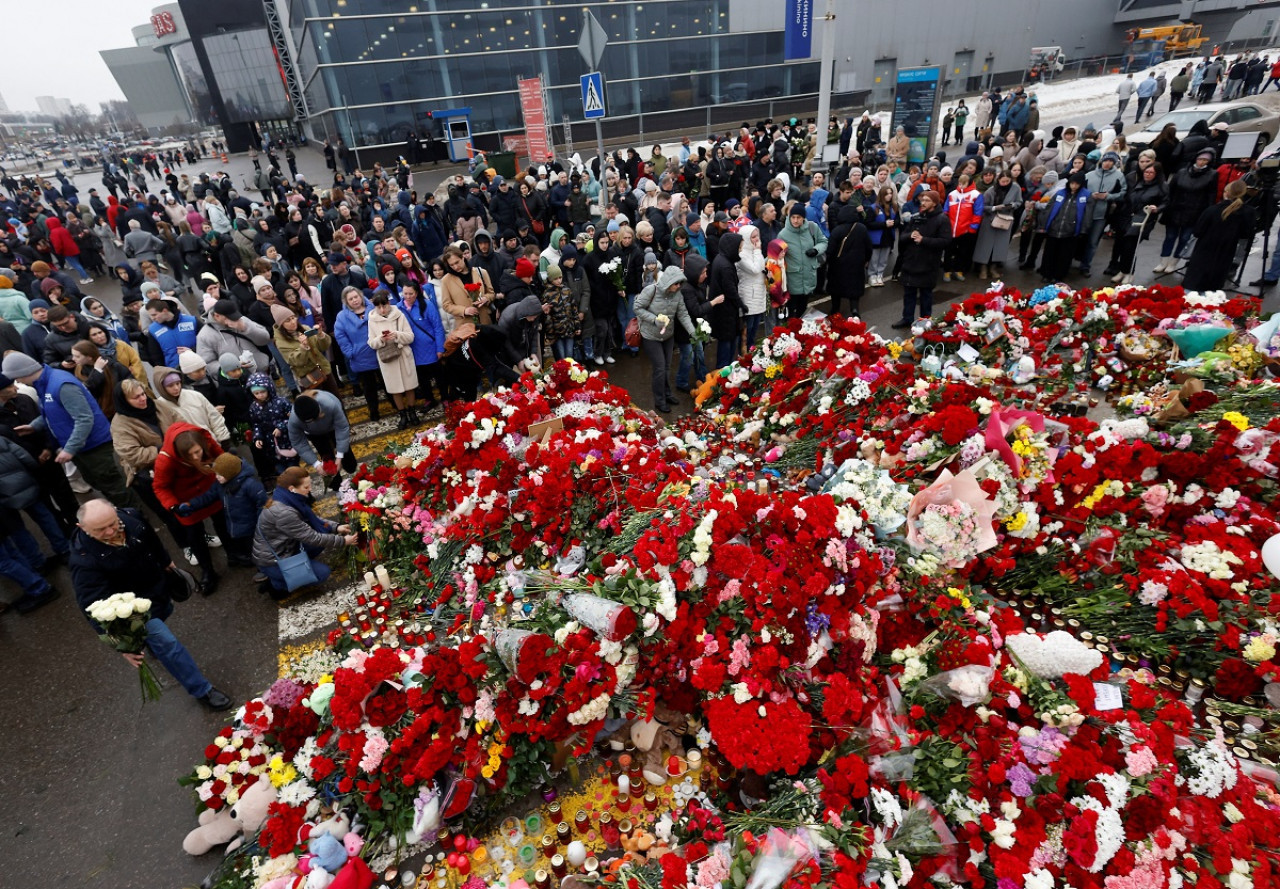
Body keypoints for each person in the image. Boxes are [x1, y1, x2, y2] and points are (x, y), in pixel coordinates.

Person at [70, 499, 232, 710]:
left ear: (117, 512)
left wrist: (166, 563)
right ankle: (203, 690)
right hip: (132, 612)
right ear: (81, 528)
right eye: (101, 530)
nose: (111, 532)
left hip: (155, 589)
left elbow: (153, 541)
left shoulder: (131, 518)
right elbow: (91, 606)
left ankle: (153, 646)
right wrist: (121, 645)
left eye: (113, 523)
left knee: (165, 614)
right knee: (169, 645)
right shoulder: (84, 562)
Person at [0, 352, 143, 510]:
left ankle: (136, 523)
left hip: (94, 448)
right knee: (102, 485)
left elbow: (84, 419)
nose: (17, 382)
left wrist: (69, 449)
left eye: (16, 378)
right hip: (82, 449)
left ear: (24, 372)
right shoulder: (45, 385)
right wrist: (34, 425)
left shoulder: (61, 384)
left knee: (116, 490)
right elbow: (54, 412)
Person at [252, 466, 356, 600]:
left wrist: (336, 527)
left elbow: (313, 520)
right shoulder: (283, 512)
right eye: (306, 487)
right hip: (274, 560)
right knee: (322, 573)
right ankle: (277, 584)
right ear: (292, 488)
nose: (310, 489)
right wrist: (343, 541)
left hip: (285, 547)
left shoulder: (286, 497)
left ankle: (291, 570)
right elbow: (312, 537)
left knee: (321, 537)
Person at [152, 422, 230, 595]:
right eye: (190, 455)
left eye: (198, 452)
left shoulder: (206, 440)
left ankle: (234, 555)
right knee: (195, 537)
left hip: (210, 487)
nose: (195, 457)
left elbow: (222, 458)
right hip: (185, 500)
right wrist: (173, 505)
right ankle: (208, 571)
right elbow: (160, 486)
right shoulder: (165, 460)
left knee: (223, 523)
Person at [634, 266, 694, 413]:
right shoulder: (651, 291)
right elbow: (637, 307)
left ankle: (667, 394)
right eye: (676, 283)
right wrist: (654, 320)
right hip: (651, 335)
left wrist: (693, 332)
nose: (678, 286)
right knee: (660, 368)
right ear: (668, 281)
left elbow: (683, 314)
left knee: (667, 367)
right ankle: (659, 400)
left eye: (680, 283)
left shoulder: (678, 295)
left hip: (668, 335)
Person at [891, 190, 951, 330]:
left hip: (928, 263)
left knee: (926, 295)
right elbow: (904, 236)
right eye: (922, 200)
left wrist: (924, 240)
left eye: (927, 201)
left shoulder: (942, 219)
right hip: (911, 261)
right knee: (909, 294)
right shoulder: (916, 217)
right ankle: (907, 318)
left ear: (935, 203)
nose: (923, 203)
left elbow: (945, 241)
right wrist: (911, 235)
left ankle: (925, 321)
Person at [1183, 179, 1256, 291]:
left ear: (1226, 192)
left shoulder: (1213, 210)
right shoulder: (1248, 212)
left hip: (1203, 252)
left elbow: (1198, 231)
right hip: (1226, 253)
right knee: (1213, 291)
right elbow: (1246, 235)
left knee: (1192, 289)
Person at [1156, 148, 1218, 274]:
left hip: (1194, 212)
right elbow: (1170, 190)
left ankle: (1174, 262)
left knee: (1185, 238)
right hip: (1175, 209)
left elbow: (1211, 195)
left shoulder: (1212, 175)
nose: (1201, 162)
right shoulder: (1182, 172)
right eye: (1200, 159)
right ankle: (1163, 261)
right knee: (1170, 236)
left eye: (1205, 160)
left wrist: (1207, 214)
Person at [367, 292, 419, 428]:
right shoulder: (372, 320)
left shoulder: (399, 315)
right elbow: (371, 343)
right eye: (378, 307)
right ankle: (402, 414)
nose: (382, 310)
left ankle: (412, 411)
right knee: (394, 388)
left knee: (410, 386)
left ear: (388, 303)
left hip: (403, 355)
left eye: (384, 305)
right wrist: (381, 339)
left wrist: (396, 335)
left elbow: (410, 336)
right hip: (387, 359)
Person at [333, 286, 383, 421]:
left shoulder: (374, 308)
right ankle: (374, 410)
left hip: (380, 352)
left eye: (356, 297)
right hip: (360, 356)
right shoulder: (342, 317)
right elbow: (340, 336)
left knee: (387, 382)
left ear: (361, 296)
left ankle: (398, 406)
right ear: (346, 301)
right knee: (368, 387)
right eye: (351, 299)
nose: (354, 300)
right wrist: (350, 352)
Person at [150, 365, 230, 446]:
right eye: (170, 385)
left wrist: (223, 438)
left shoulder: (194, 395)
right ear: (162, 387)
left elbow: (214, 417)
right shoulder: (160, 406)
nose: (176, 388)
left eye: (178, 383)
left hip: (212, 442)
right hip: (190, 452)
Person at [288, 390, 355, 484]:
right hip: (314, 434)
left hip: (333, 427)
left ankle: (353, 471)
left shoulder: (330, 404)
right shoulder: (294, 420)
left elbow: (342, 428)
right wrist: (316, 463)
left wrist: (339, 456)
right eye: (308, 421)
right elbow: (298, 443)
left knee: (345, 451)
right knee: (326, 456)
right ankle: (335, 484)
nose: (312, 422)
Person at [972, 167, 1024, 280]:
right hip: (990, 220)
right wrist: (995, 208)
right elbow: (983, 206)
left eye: (1007, 181)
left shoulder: (1016, 188)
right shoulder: (991, 190)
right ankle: (983, 267)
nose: (1005, 184)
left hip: (1005, 219)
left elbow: (1019, 201)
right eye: (1002, 181)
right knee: (985, 246)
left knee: (999, 246)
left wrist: (1013, 205)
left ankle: (993, 267)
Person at [271, 303, 336, 396]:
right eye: (288, 320)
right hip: (308, 377)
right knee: (318, 407)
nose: (293, 322)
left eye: (293, 318)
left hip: (324, 370)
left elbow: (323, 347)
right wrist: (303, 347)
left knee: (335, 400)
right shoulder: (281, 342)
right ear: (281, 325)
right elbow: (294, 361)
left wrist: (321, 335)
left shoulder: (304, 328)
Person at [196, 298, 272, 376]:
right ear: (217, 316)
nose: (234, 319)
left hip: (261, 371)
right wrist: (231, 367)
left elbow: (265, 339)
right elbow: (207, 364)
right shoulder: (204, 336)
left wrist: (245, 328)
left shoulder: (241, 320)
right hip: (236, 379)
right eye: (229, 317)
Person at [776, 206, 827, 320]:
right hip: (793, 278)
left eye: (798, 217)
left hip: (809, 275)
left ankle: (801, 332)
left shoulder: (812, 227)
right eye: (793, 217)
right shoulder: (783, 234)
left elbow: (823, 241)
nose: (795, 220)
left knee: (803, 308)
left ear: (803, 218)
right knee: (791, 310)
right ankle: (790, 331)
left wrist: (816, 250)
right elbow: (775, 254)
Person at [1039, 172, 1090, 283]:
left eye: (1077, 184)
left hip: (1070, 231)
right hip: (1055, 228)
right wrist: (1044, 224)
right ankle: (1046, 274)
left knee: (1064, 255)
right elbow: (1049, 208)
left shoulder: (1086, 195)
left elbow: (1087, 214)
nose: (1074, 186)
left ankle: (1059, 276)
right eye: (1072, 183)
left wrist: (1083, 229)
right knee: (1049, 253)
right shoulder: (1060, 193)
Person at [827, 204, 873, 318]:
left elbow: (830, 250)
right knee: (855, 289)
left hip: (838, 266)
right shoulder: (862, 228)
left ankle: (835, 311)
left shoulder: (837, 230)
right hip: (856, 265)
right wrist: (866, 259)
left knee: (836, 290)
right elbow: (869, 247)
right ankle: (855, 310)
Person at [708, 231, 744, 368]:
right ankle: (723, 374)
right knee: (726, 345)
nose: (740, 251)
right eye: (738, 248)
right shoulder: (726, 266)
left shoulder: (721, 259)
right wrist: (740, 304)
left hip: (724, 311)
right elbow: (730, 290)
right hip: (725, 312)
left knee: (728, 342)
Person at [735, 225, 767, 349]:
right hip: (748, 296)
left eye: (757, 236)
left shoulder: (755, 251)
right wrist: (758, 251)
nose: (756, 240)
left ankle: (751, 351)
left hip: (758, 294)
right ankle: (743, 353)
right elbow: (754, 269)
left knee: (754, 329)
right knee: (747, 330)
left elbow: (761, 267)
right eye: (753, 237)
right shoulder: (741, 255)